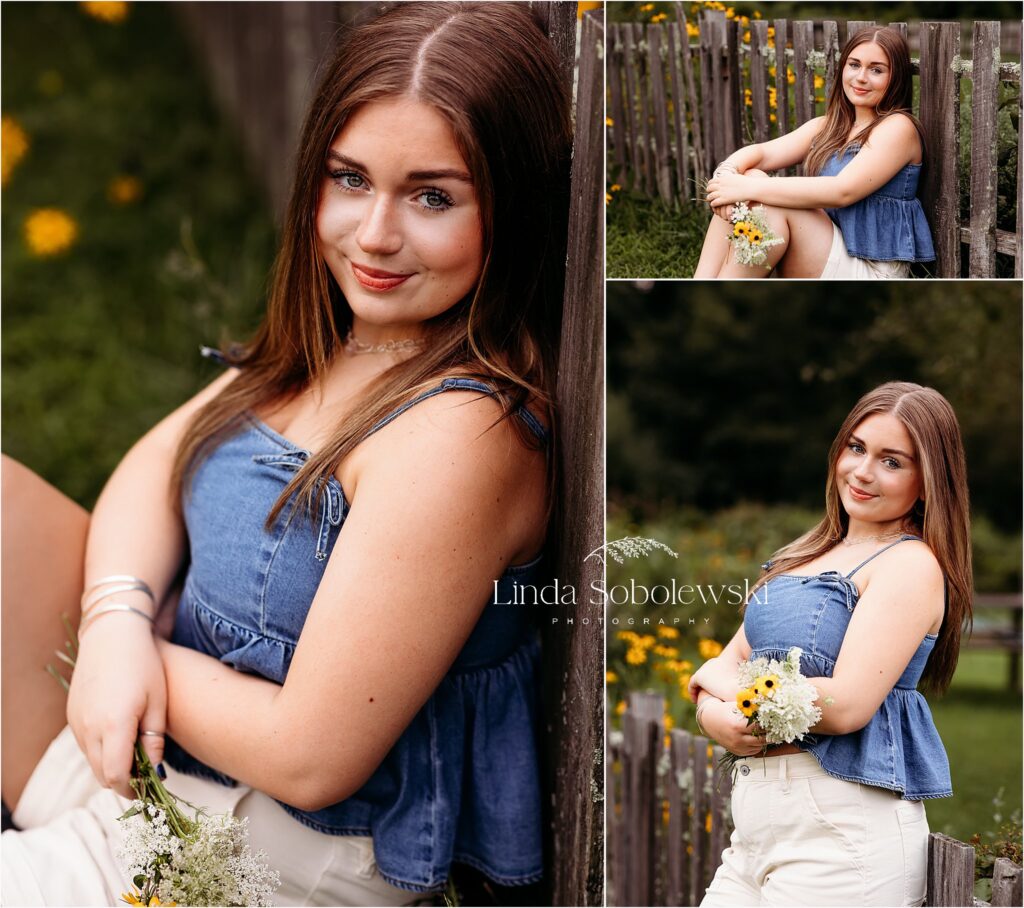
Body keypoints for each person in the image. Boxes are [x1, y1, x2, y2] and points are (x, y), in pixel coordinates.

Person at [1, 2, 573, 904]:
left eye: (433, 196)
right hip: (144, 771)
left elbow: (309, 758)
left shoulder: (465, 435)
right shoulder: (346, 338)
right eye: (350, 179)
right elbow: (154, 465)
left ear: (513, 210)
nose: (375, 235)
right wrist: (112, 624)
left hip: (249, 863)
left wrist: (143, 654)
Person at [687, 382, 971, 906]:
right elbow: (720, 668)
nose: (862, 472)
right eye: (857, 447)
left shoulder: (909, 566)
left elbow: (846, 705)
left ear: (929, 481)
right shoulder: (801, 557)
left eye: (892, 461)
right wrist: (712, 717)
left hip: (842, 832)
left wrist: (722, 686)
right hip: (754, 830)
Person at [696, 27, 935, 279]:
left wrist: (744, 189)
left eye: (876, 70)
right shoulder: (829, 125)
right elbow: (763, 153)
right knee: (751, 176)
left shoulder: (898, 127)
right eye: (854, 65)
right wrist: (726, 178)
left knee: (763, 198)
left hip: (871, 268)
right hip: (828, 248)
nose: (861, 77)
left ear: (895, 78)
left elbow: (842, 191)